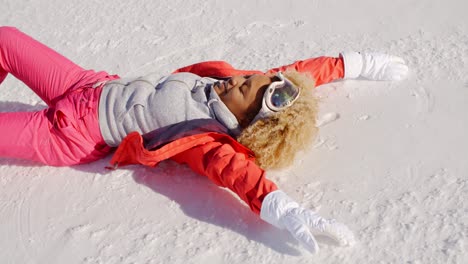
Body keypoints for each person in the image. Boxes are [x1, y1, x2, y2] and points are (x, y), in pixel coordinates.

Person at [0, 26, 408, 254]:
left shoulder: (206, 139)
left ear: (250, 119)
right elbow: (302, 71)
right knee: (5, 38)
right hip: (87, 83)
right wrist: (356, 64)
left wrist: (288, 212)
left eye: (246, 87)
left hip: (69, 133)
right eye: (252, 77)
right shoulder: (232, 83)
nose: (241, 77)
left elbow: (239, 175)